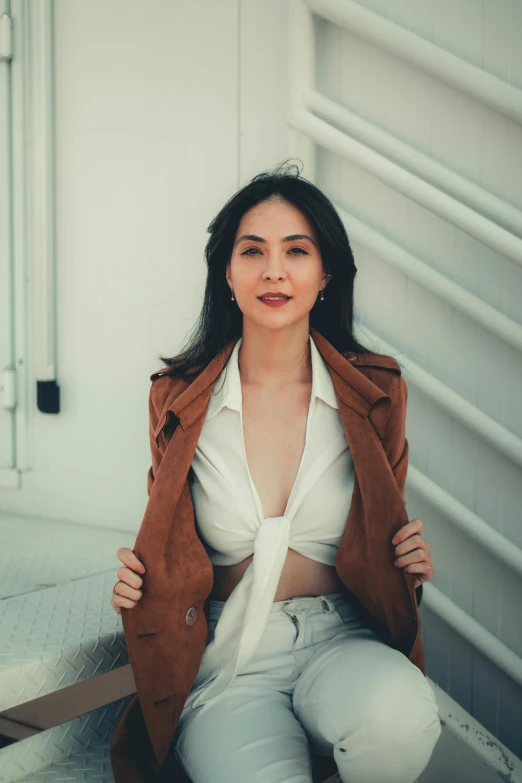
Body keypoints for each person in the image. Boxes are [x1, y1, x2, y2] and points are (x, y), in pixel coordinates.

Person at [110, 161, 441, 783]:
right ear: (227, 274)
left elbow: (384, 530)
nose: (274, 270)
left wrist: (409, 562)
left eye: (297, 250)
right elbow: (166, 535)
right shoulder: (176, 400)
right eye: (252, 251)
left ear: (325, 273)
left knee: (399, 723)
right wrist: (139, 578)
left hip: (342, 637)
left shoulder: (378, 390)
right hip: (227, 654)